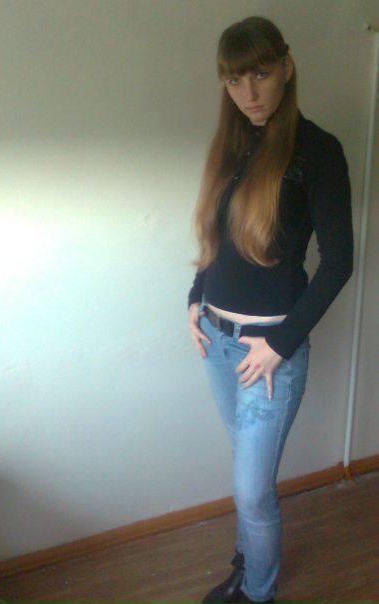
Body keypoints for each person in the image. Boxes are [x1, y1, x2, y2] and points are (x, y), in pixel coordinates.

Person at [187, 16, 353, 604]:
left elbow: (339, 262)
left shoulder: (318, 151)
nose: (249, 93)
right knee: (245, 474)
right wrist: (194, 298)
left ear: (286, 66)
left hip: (268, 353)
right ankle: (246, 565)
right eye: (234, 80)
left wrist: (280, 345)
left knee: (253, 491)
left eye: (260, 74)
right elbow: (218, 240)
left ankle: (259, 594)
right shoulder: (232, 147)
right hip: (217, 341)